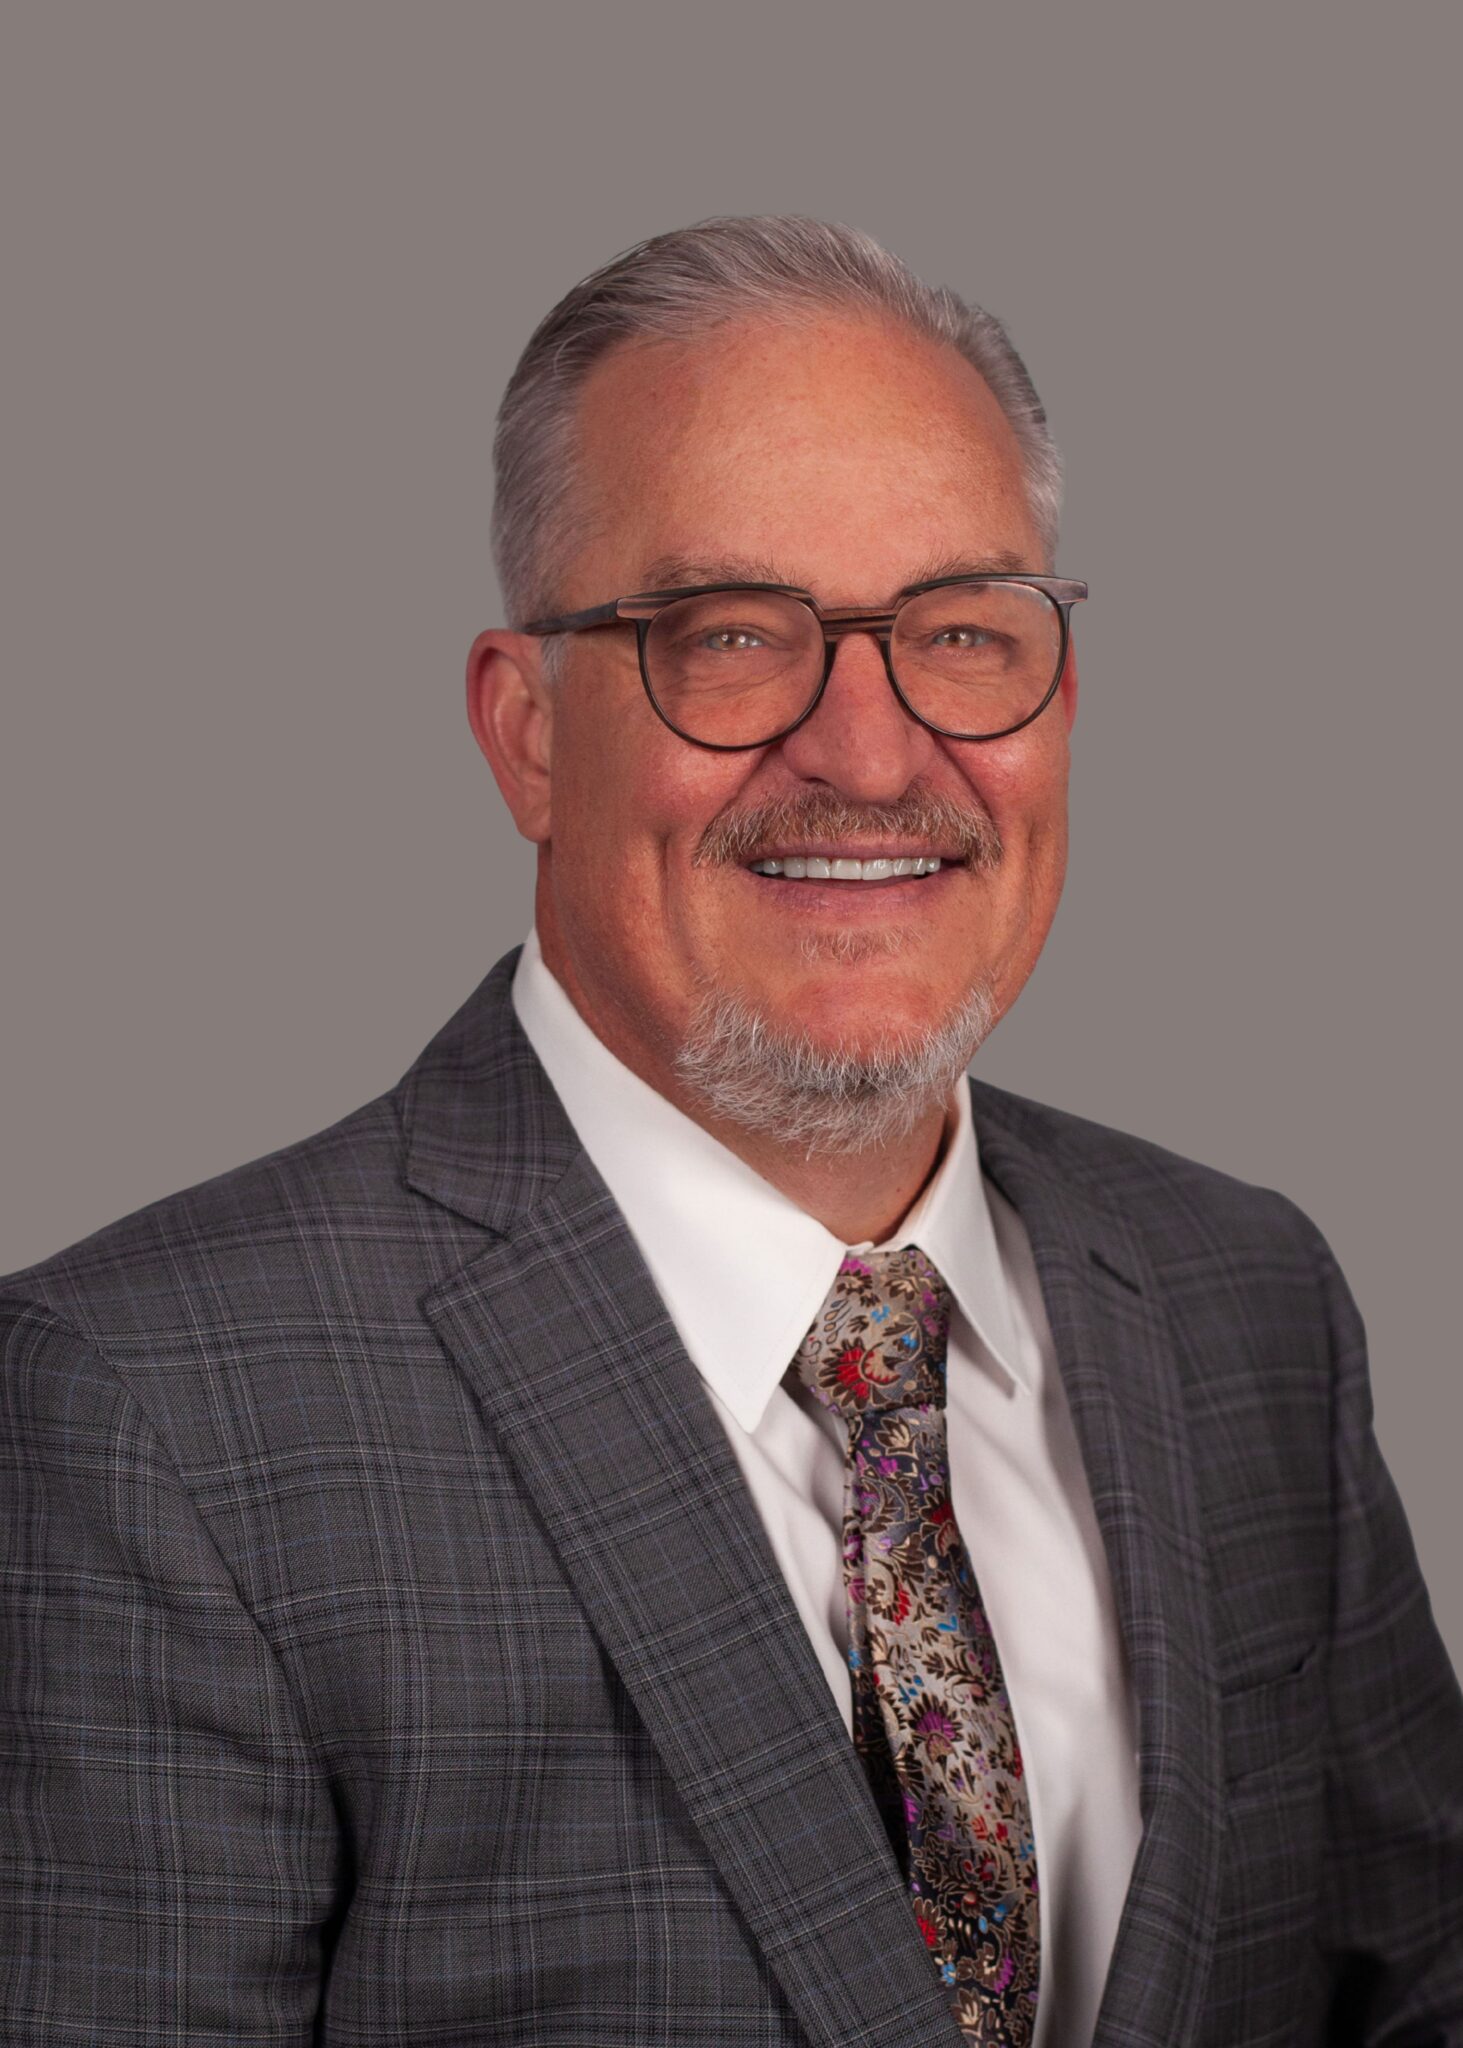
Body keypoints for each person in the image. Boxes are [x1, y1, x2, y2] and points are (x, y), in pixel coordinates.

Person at [2, 215, 1459, 2048]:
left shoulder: (1247, 1300)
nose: (869, 750)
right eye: (733, 637)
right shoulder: (154, 1408)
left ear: (1059, 700)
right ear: (527, 734)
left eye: (960, 630)